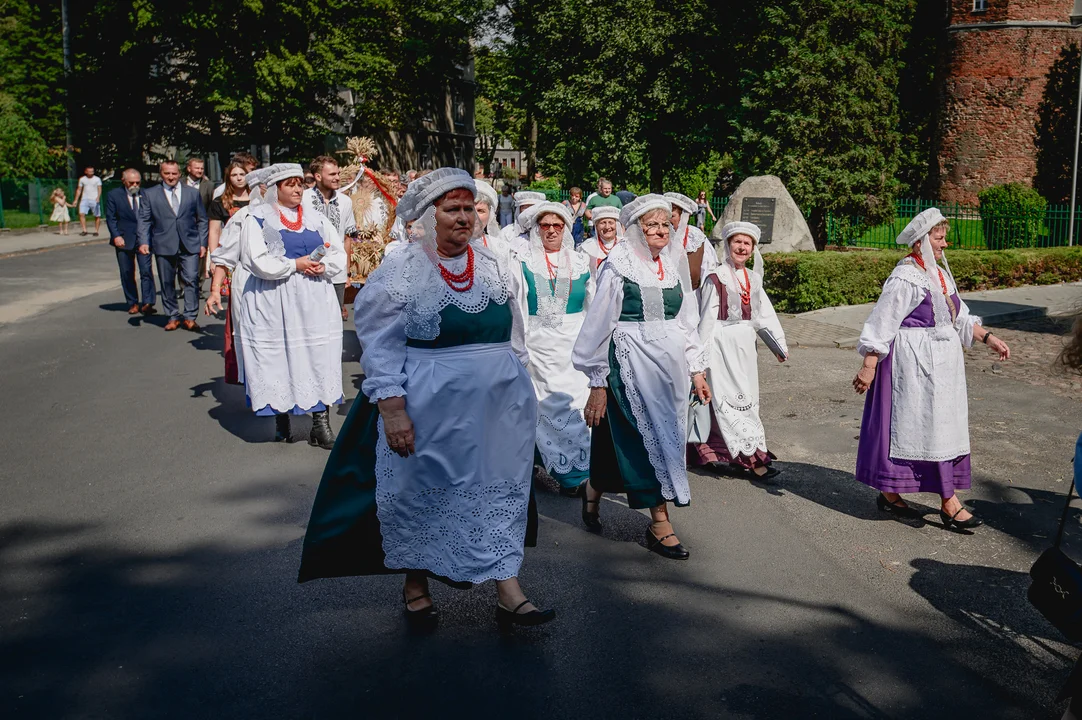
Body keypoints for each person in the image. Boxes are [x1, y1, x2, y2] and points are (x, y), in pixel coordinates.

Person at [298, 167, 554, 631]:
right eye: (452, 209)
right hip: (432, 404)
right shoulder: (402, 268)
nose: (464, 218)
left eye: (471, 209)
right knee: (426, 490)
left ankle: (508, 588)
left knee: (501, 492)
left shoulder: (495, 262)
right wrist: (392, 409)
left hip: (498, 409)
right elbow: (378, 339)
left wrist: (521, 388)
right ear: (427, 216)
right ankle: (416, 583)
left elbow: (516, 334)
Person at [852, 208, 1011, 531]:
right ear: (921, 242)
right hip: (911, 366)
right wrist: (869, 364)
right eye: (939, 238)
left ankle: (902, 493)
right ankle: (939, 500)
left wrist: (987, 337)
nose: (946, 244)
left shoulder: (939, 273)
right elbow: (882, 321)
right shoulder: (905, 277)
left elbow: (959, 315)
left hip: (943, 368)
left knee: (941, 427)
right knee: (915, 427)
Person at [572, 194, 711, 560]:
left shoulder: (673, 263)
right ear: (635, 229)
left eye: (666, 224)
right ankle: (659, 523)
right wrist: (597, 382)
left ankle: (595, 486)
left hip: (670, 368)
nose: (661, 231)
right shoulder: (617, 266)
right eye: (652, 225)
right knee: (639, 433)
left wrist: (697, 368)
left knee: (649, 433)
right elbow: (598, 325)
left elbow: (687, 322)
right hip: (630, 361)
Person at [236, 163, 344, 448]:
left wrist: (324, 266)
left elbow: (337, 250)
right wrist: (294, 264)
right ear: (275, 189)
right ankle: (281, 418)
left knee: (319, 355)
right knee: (279, 355)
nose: (298, 189)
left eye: (300, 183)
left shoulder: (316, 218)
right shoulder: (256, 219)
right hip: (275, 296)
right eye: (290, 184)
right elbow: (255, 260)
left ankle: (321, 424)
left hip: (313, 296)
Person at [689, 221, 787, 479]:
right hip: (721, 345)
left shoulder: (753, 279)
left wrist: (778, 344)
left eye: (747, 243)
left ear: (753, 248)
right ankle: (753, 459)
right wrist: (698, 362)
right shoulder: (715, 277)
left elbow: (764, 314)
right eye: (737, 242)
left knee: (747, 398)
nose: (742, 247)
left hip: (745, 347)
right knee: (726, 401)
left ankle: (732, 453)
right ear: (728, 245)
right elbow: (706, 321)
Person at [518, 202, 595, 497]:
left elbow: (594, 305)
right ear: (537, 230)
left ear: (566, 229)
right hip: (538, 345)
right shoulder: (524, 262)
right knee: (545, 405)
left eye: (557, 225)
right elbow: (520, 308)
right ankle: (557, 469)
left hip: (575, 345)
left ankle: (581, 471)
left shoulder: (580, 262)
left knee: (576, 406)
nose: (551, 230)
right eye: (545, 225)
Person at [204, 167, 273, 386]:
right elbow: (225, 255)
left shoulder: (294, 216)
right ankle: (254, 382)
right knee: (249, 332)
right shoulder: (243, 217)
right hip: (248, 281)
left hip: (280, 284)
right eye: (262, 188)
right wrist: (215, 289)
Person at [137, 160, 208, 332]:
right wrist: (144, 241)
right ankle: (173, 316)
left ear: (179, 174)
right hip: (163, 244)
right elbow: (144, 220)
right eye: (167, 173)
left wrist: (202, 243)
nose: (171, 177)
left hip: (189, 244)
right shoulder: (150, 194)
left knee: (191, 279)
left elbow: (202, 220)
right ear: (161, 173)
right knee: (167, 282)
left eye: (174, 173)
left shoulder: (192, 193)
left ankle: (190, 317)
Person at [304, 155, 357, 321]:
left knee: (334, 319)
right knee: (310, 318)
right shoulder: (303, 199)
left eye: (338, 173)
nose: (337, 178)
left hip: (337, 271)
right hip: (309, 268)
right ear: (318, 176)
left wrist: (347, 271)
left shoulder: (345, 201)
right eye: (332, 174)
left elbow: (347, 238)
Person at [105, 169, 156, 316]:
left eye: (138, 182)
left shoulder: (146, 194)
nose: (135, 185)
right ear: (123, 181)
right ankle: (132, 302)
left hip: (143, 240)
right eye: (131, 182)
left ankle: (147, 302)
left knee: (146, 271)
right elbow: (111, 218)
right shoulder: (114, 195)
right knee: (127, 272)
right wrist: (116, 236)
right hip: (124, 238)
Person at [666, 191, 717, 291]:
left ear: (685, 217)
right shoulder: (657, 238)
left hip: (692, 300)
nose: (667, 220)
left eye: (672, 216)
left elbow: (708, 274)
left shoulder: (696, 239)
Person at [579, 205, 622, 275]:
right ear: (596, 226)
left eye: (611, 222)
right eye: (603, 223)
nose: (607, 227)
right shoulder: (587, 247)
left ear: (616, 225)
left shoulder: (624, 245)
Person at [74, 166, 103, 237]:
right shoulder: (82, 179)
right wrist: (76, 200)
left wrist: (98, 197)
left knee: (97, 215)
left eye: (92, 171)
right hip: (84, 199)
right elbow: (79, 189)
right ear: (86, 172)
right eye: (89, 171)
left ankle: (96, 231)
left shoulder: (97, 179)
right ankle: (84, 230)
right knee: (81, 214)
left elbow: (99, 188)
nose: (91, 173)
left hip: (94, 199)